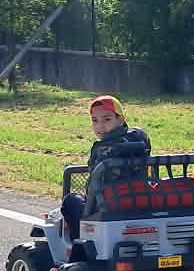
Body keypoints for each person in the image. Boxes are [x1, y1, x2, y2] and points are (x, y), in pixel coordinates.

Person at [60, 95, 150, 240]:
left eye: (107, 119)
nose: (100, 126)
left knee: (70, 201)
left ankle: (80, 243)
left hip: (107, 206)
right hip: (139, 200)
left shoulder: (103, 149)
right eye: (95, 121)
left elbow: (94, 188)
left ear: (120, 119)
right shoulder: (140, 139)